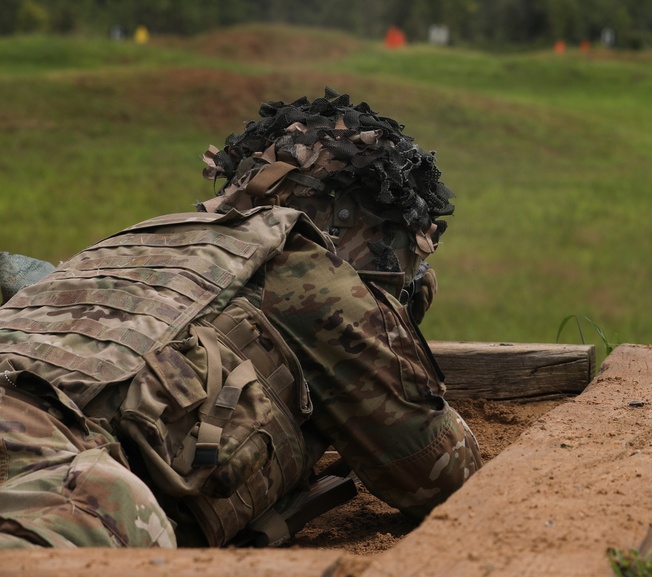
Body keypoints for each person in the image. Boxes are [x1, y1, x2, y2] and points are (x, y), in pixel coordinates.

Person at [0, 88, 482, 549]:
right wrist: (395, 332)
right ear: (352, 225)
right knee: (112, 506)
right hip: (52, 464)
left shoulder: (142, 238)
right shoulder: (312, 273)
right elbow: (440, 473)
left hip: (30, 428)